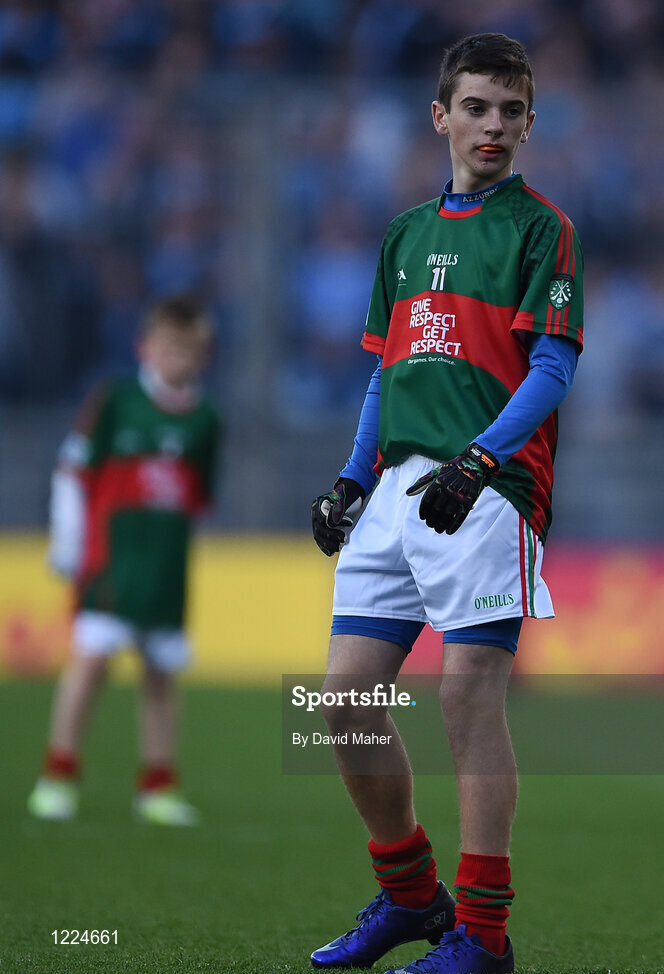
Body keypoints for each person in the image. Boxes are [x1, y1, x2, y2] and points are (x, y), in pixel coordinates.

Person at [310, 33, 583, 974]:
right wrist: (353, 476)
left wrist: (477, 459)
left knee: (466, 696)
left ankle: (486, 938)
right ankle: (411, 898)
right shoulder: (403, 233)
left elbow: (552, 370)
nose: (493, 125)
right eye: (477, 107)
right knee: (343, 699)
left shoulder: (542, 229)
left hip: (489, 488)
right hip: (396, 489)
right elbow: (387, 375)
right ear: (442, 117)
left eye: (511, 111)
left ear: (529, 123)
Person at [27, 296, 221, 827]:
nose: (176, 358)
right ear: (145, 347)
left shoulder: (206, 419)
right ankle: (58, 772)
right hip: (111, 560)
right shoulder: (115, 399)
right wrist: (68, 541)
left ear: (202, 356)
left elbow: (198, 498)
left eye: (188, 350)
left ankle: (157, 784)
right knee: (89, 663)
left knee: (161, 673)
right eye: (168, 347)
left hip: (165, 569)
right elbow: (73, 470)